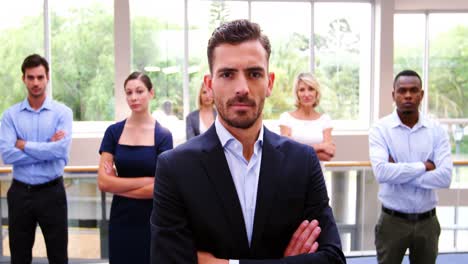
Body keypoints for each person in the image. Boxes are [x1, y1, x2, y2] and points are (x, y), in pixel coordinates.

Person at [150, 19, 345, 264]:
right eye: (228, 74)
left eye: (254, 74)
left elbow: (332, 259)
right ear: (210, 86)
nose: (241, 88)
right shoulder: (175, 167)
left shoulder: (303, 162)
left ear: (269, 83)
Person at [369, 69, 452, 264]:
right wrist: (424, 166)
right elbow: (382, 172)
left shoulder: (436, 130)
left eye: (413, 90)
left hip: (428, 223)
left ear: (421, 94)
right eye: (402, 90)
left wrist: (399, 171)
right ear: (393, 95)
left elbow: (445, 177)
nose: (407, 95)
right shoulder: (380, 130)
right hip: (392, 222)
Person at [0, 54, 72, 264]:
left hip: (53, 192)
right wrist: (46, 147)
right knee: (19, 256)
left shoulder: (62, 113)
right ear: (23, 79)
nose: (36, 83)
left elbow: (60, 151)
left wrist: (24, 144)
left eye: (40, 77)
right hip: (20, 193)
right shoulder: (10, 116)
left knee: (58, 256)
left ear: (47, 77)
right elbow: (7, 154)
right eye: (30, 77)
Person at [98, 71, 173, 264]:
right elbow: (103, 182)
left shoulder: (163, 136)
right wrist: (146, 181)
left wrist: (119, 185)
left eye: (139, 91)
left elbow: (162, 188)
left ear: (151, 93)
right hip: (121, 218)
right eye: (129, 92)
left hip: (152, 220)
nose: (134, 97)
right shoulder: (113, 132)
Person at [279, 72, 335, 162]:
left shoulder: (325, 120)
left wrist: (297, 149)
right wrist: (320, 146)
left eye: (311, 89)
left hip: (317, 174)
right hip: (293, 174)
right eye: (302, 90)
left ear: (316, 93)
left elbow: (327, 156)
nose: (306, 94)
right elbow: (287, 152)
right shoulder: (286, 118)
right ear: (297, 94)